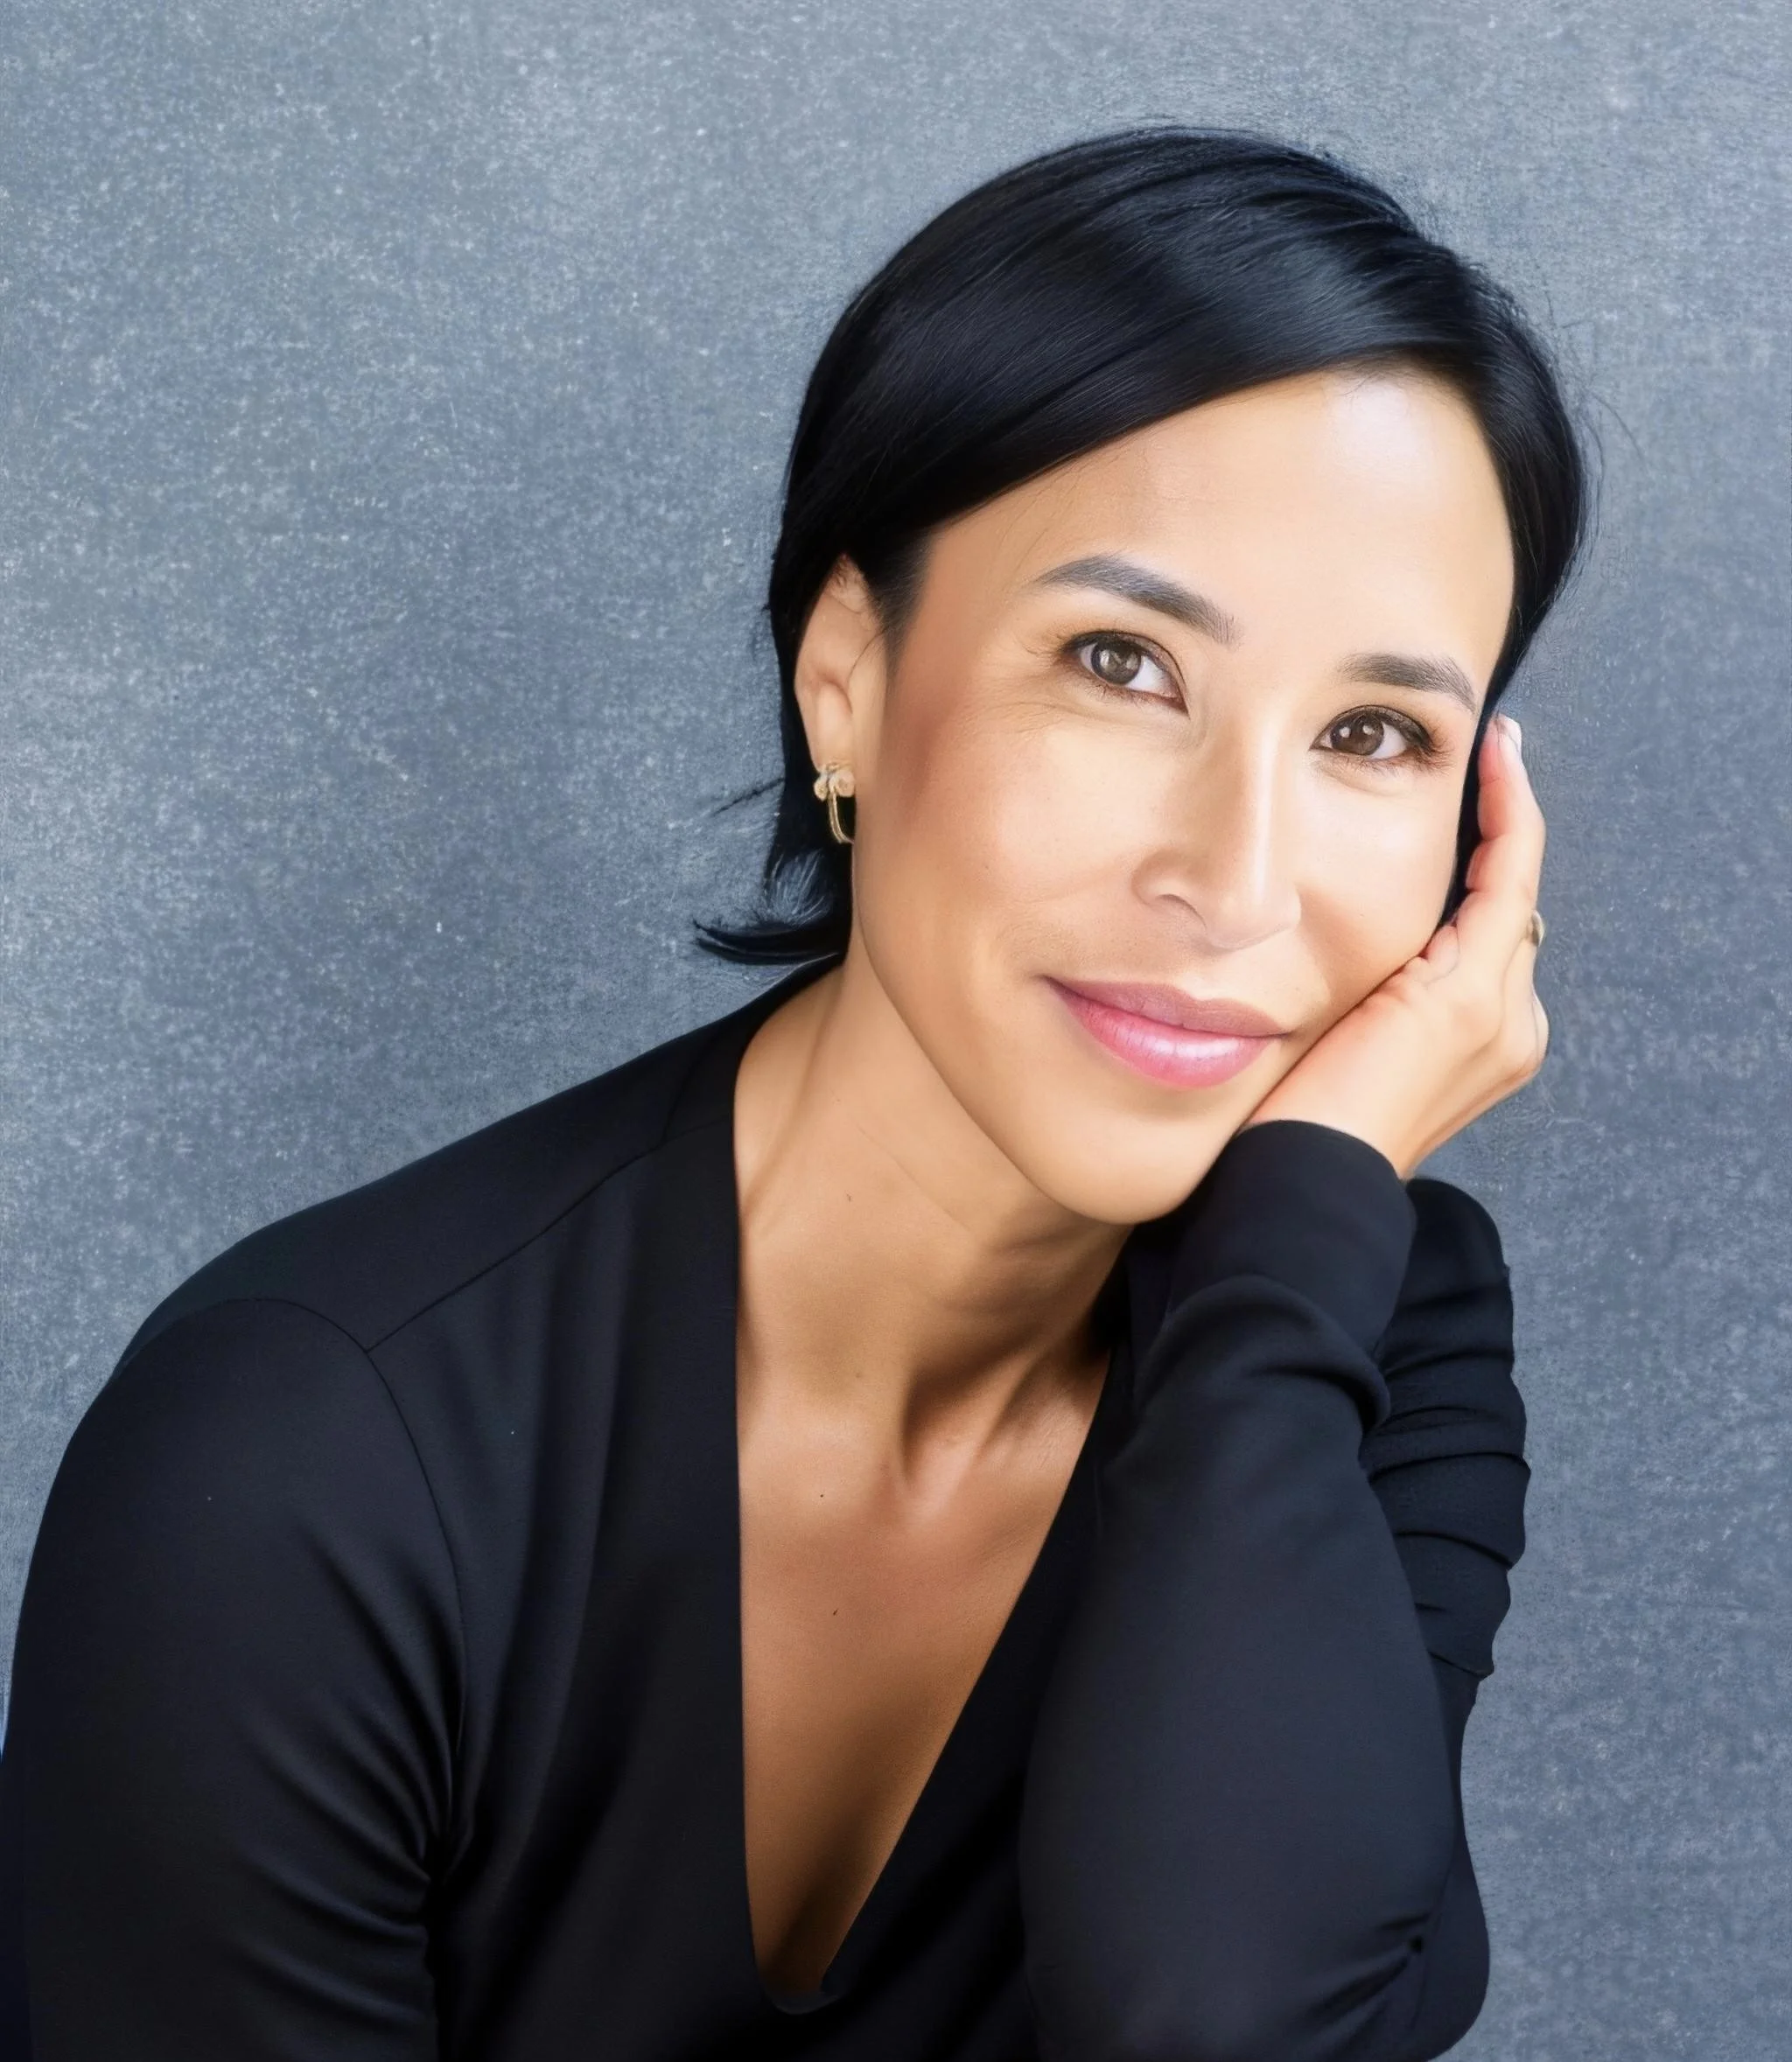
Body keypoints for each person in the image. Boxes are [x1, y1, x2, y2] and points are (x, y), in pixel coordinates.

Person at [0, 127, 1585, 2060]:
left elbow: (1229, 2015)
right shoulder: (305, 1466)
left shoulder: (1356, 1314)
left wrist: (1292, 1261)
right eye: (1120, 660)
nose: (1237, 879)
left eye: (1369, 733)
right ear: (847, 671)